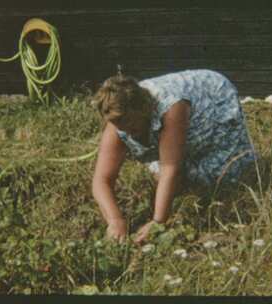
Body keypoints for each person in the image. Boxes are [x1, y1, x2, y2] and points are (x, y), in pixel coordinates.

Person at [91, 69, 256, 244]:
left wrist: (158, 222)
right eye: (121, 127)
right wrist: (115, 220)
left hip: (212, 94)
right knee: (167, 174)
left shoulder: (171, 107)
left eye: (131, 124)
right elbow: (101, 180)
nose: (127, 132)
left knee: (219, 176)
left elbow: (171, 169)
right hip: (169, 111)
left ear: (143, 109)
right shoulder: (118, 122)